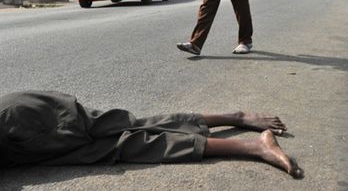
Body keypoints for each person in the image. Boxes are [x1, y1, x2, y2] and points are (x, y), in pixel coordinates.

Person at [0, 91, 303, 179]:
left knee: (129, 130)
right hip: (20, 142)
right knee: (129, 145)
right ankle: (254, 145)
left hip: (25, 121)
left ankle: (237, 122)